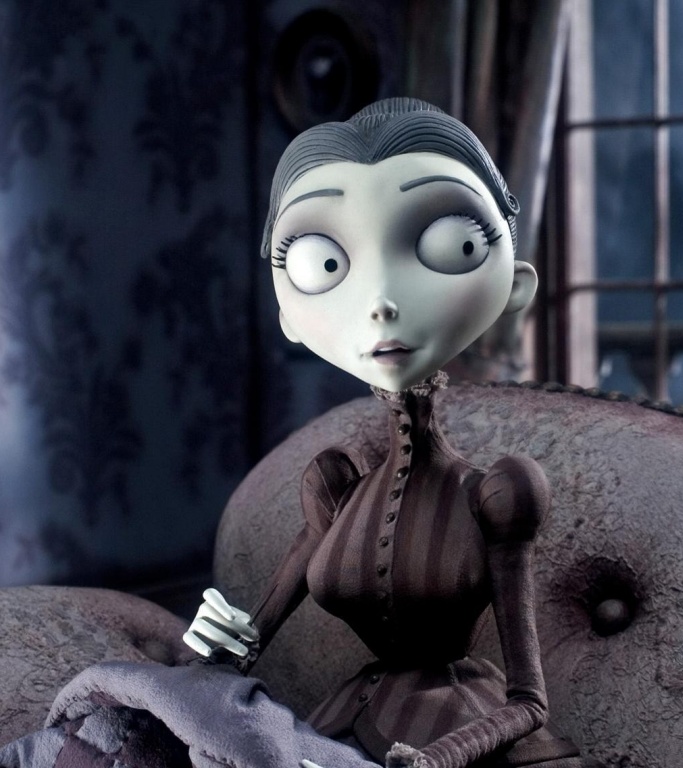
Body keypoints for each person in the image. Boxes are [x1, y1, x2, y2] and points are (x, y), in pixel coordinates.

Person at [183, 97, 581, 768]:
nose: (380, 301)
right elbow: (242, 649)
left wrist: (439, 758)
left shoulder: (499, 493)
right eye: (321, 262)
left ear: (514, 285)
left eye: (451, 245)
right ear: (287, 314)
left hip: (465, 736)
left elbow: (530, 704)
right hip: (339, 729)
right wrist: (209, 646)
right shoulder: (334, 486)